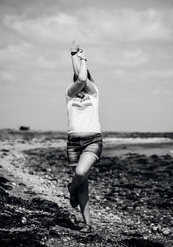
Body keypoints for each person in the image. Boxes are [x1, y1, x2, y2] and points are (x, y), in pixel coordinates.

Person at [65, 37, 103, 233]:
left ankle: (71, 189)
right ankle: (88, 223)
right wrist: (74, 55)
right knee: (84, 184)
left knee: (79, 174)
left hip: (92, 141)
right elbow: (78, 79)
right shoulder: (69, 94)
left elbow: (82, 78)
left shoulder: (94, 92)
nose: (81, 81)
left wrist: (81, 58)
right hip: (73, 143)